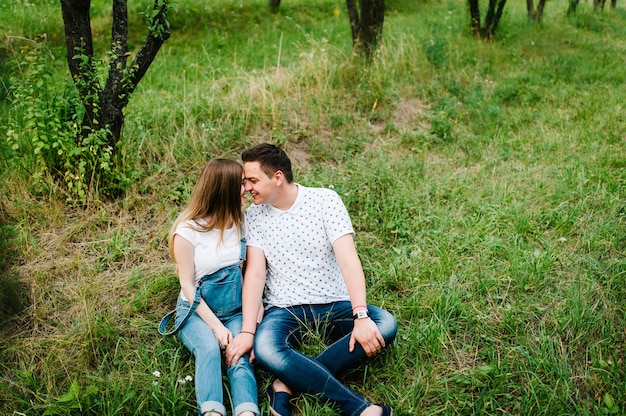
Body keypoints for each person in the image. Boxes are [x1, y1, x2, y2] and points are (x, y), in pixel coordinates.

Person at [226, 144, 397, 416]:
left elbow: (348, 259)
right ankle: (358, 409)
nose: (246, 188)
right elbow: (255, 274)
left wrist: (361, 316)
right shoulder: (255, 216)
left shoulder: (324, 200)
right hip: (285, 310)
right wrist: (248, 331)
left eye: (252, 180)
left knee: (385, 324)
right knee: (266, 348)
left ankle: (286, 382)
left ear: (278, 177)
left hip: (334, 303)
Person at [165, 159, 259, 416]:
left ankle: (247, 411)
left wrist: (257, 309)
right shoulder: (187, 232)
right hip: (196, 310)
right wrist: (216, 327)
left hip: (235, 309)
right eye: (241, 183)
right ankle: (212, 411)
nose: (247, 189)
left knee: (239, 352)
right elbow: (187, 286)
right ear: (224, 189)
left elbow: (252, 270)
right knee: (208, 348)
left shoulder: (242, 222)